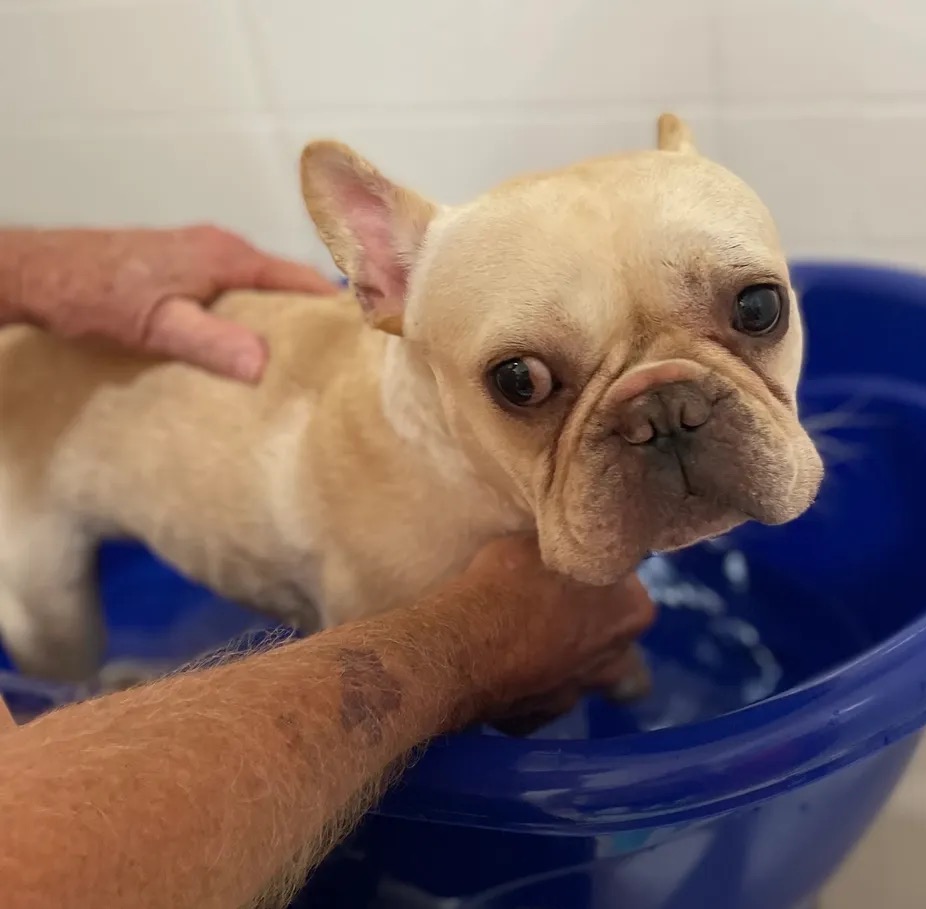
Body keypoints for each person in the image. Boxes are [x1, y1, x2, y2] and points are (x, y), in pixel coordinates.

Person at [0, 226, 656, 909]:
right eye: (525, 381)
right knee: (54, 660)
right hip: (28, 445)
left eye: (752, 312)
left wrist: (17, 267)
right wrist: (468, 649)